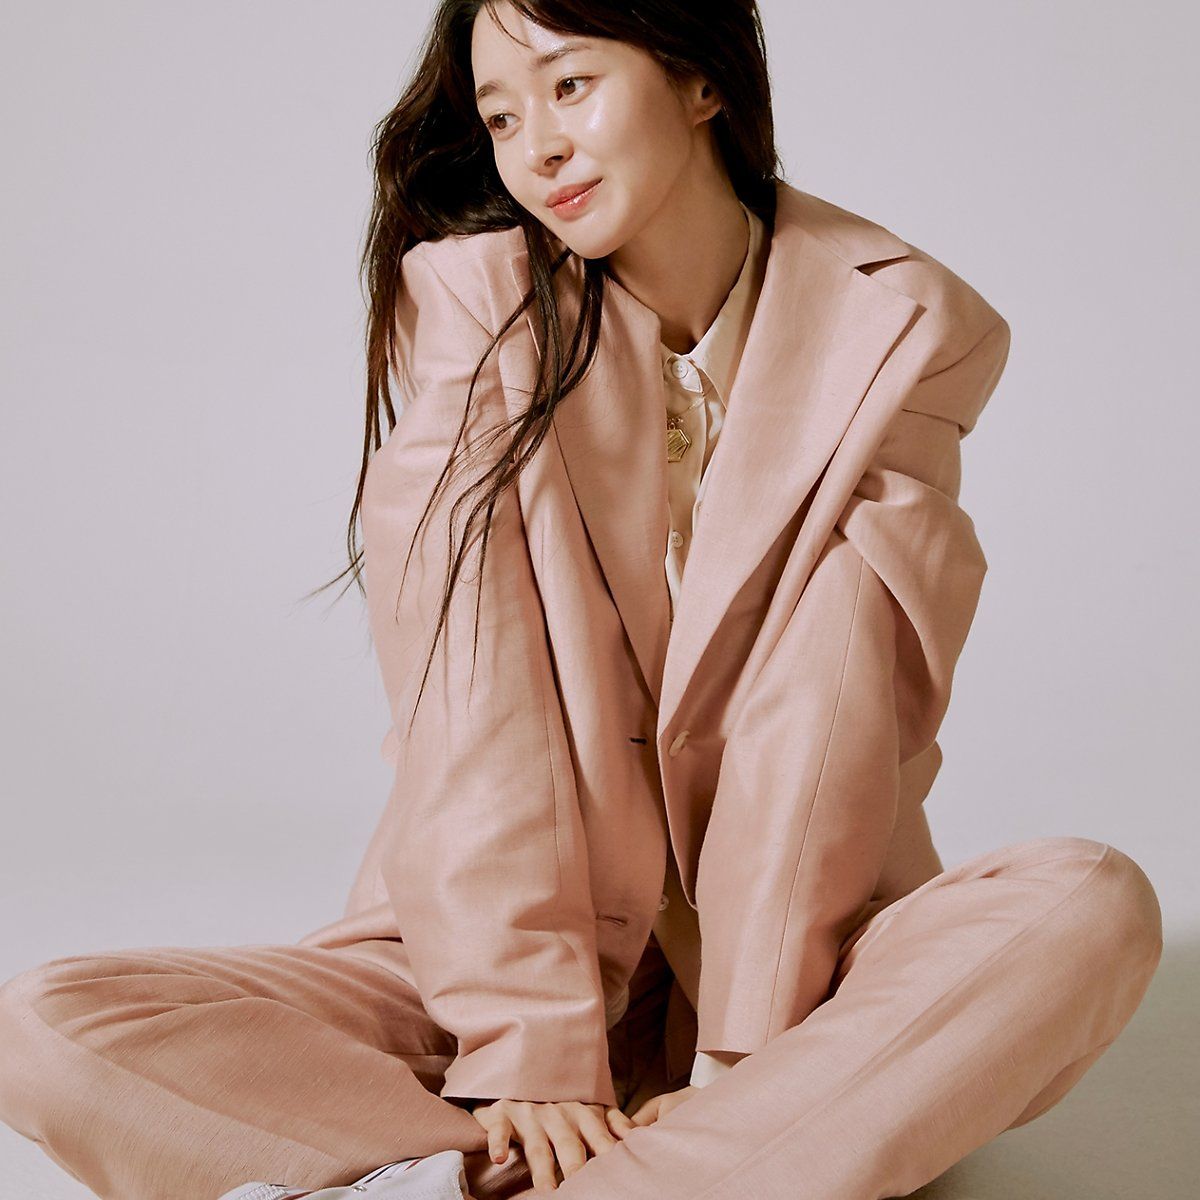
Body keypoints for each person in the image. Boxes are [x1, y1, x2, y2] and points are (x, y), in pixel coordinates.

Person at [0, 3, 1163, 1199]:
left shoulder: (901, 324)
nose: (537, 147)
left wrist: (745, 1062)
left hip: (800, 965)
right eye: (502, 117)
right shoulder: (477, 305)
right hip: (489, 961)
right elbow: (473, 695)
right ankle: (728, 1169)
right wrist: (526, 1044)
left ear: (701, 82)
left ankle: (597, 1162)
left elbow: (834, 698)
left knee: (1088, 906)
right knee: (50, 1028)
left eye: (570, 86)